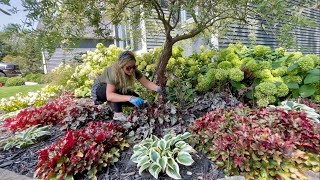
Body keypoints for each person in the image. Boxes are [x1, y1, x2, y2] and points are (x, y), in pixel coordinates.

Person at [91, 51, 165, 121]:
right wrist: (130, 98)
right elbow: (110, 95)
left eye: (134, 67)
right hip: (99, 90)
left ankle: (141, 113)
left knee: (136, 97)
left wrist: (158, 89)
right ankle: (118, 114)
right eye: (128, 68)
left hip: (115, 90)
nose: (131, 70)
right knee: (121, 92)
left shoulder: (132, 69)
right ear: (121, 66)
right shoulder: (113, 72)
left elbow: (146, 83)